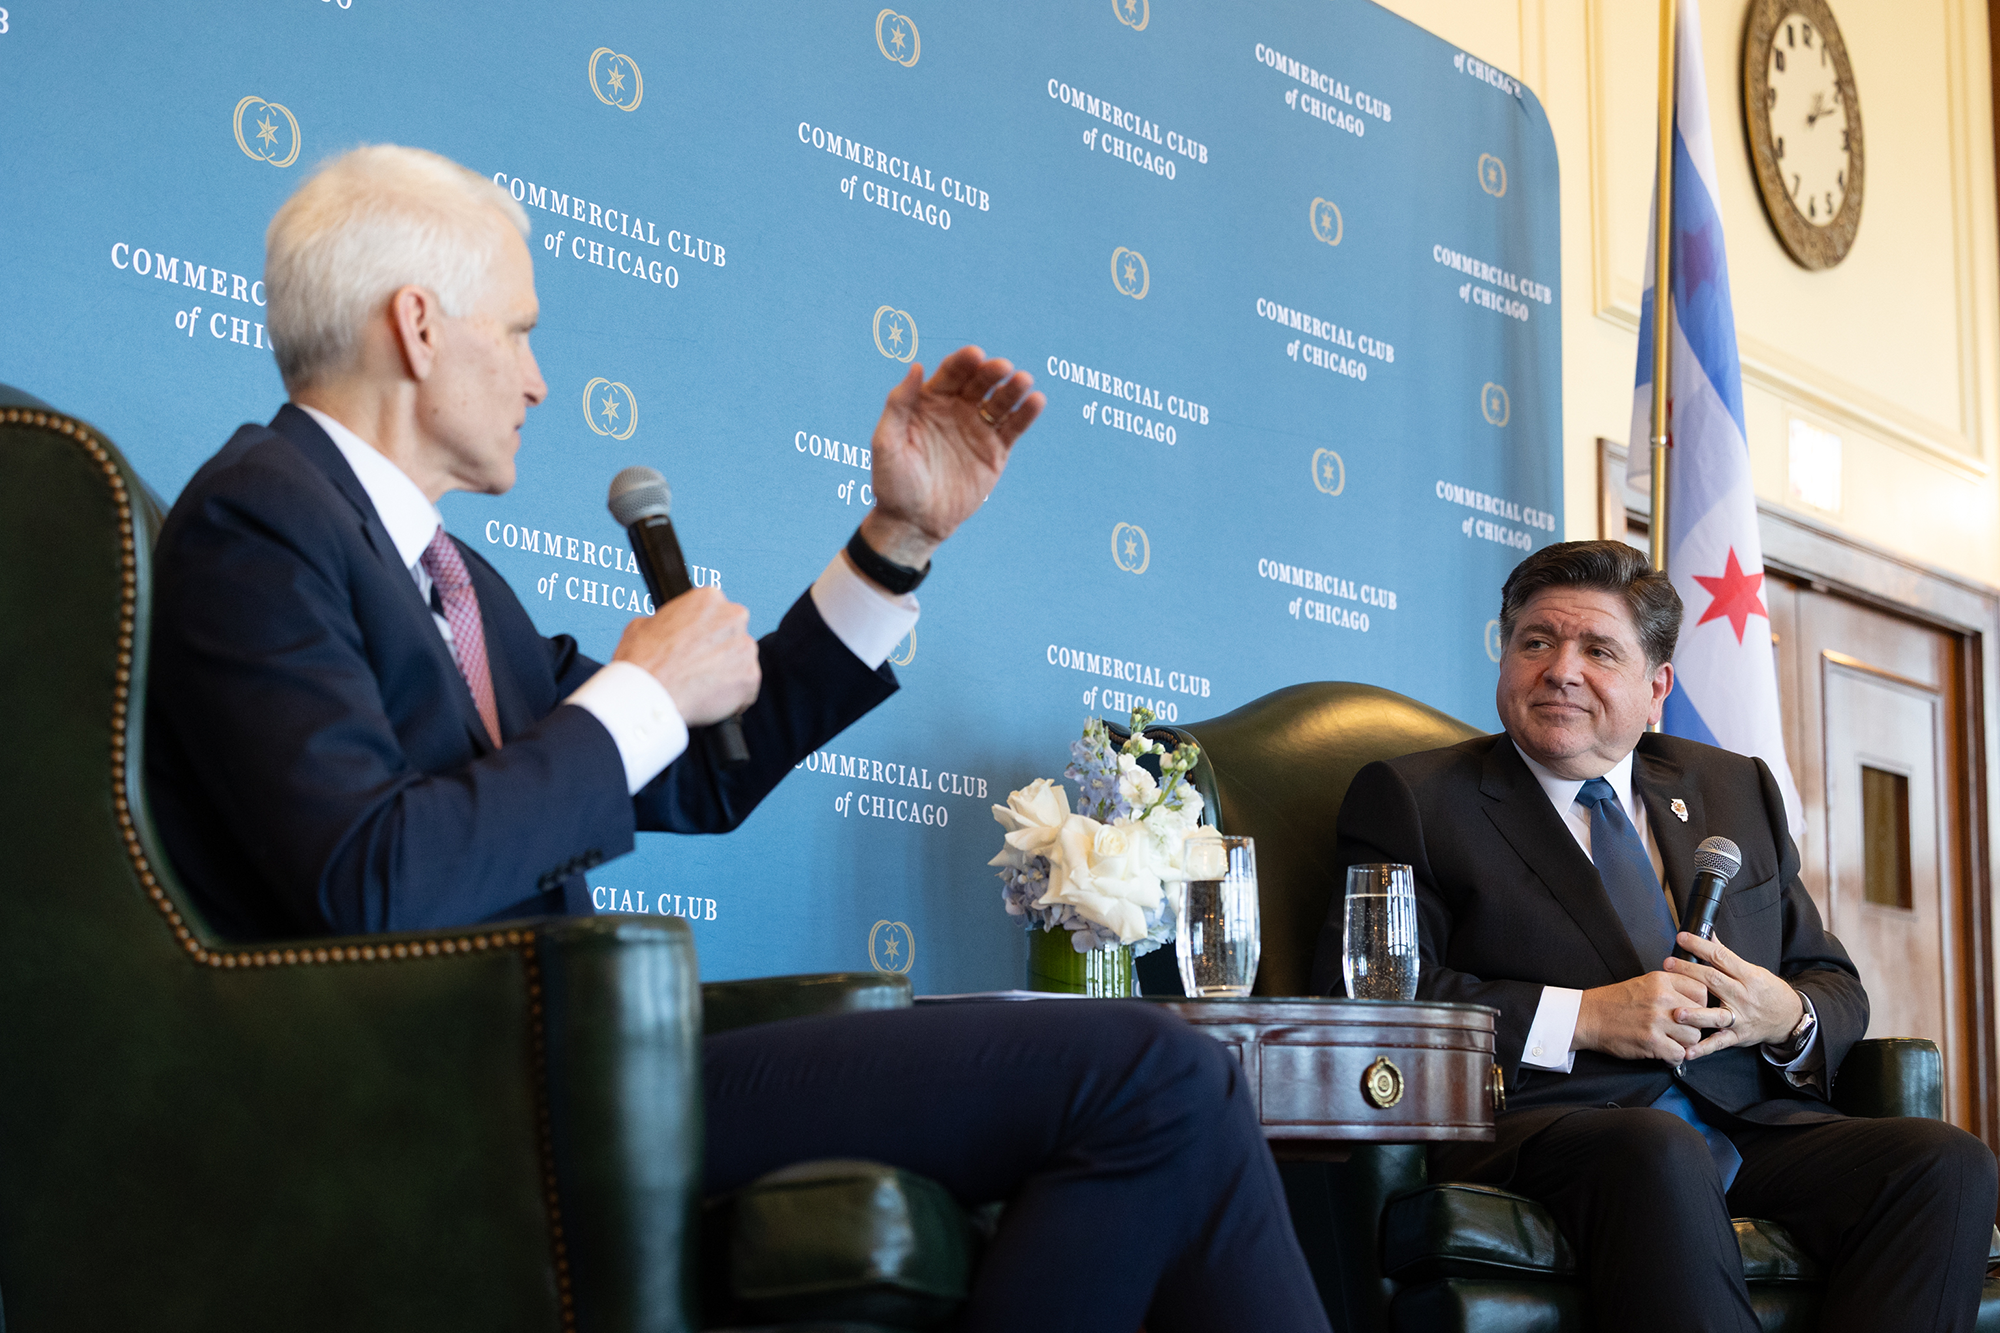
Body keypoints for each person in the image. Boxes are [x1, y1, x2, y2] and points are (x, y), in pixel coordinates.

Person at [144, 144, 1332, 1332]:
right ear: (416, 326)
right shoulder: (263, 519)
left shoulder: (456, 583)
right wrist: (639, 696)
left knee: (1176, 1084)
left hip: (576, 1068)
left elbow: (707, 768)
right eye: (516, 332)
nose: (538, 380)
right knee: (1150, 1075)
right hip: (459, 1091)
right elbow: (372, 878)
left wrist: (893, 541)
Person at [1311, 539, 1996, 1331]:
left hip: (1748, 1122)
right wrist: (1587, 1015)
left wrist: (1784, 1015)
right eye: (1536, 641)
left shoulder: (1732, 789)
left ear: (1656, 686)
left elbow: (1832, 982)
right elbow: (1365, 998)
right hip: (1560, 1126)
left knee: (1944, 1163)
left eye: (1598, 649)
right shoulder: (1418, 799)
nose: (1561, 668)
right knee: (1656, 1147)